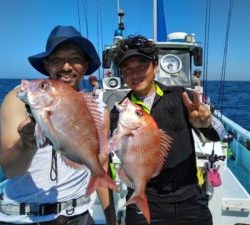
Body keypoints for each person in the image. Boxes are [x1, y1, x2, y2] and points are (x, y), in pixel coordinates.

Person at [0, 25, 117, 225]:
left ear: (86, 66)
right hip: (22, 217)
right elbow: (10, 170)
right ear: (46, 65)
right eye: (56, 60)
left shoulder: (98, 108)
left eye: (75, 59)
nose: (66, 67)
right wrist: (27, 145)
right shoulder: (19, 98)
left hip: (78, 215)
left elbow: (100, 164)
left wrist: (111, 220)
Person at [110, 35, 223, 225]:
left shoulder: (181, 97)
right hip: (146, 195)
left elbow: (220, 134)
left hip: (189, 197)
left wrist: (206, 124)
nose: (135, 74)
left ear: (155, 67)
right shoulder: (119, 111)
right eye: (127, 70)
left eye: (141, 67)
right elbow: (105, 148)